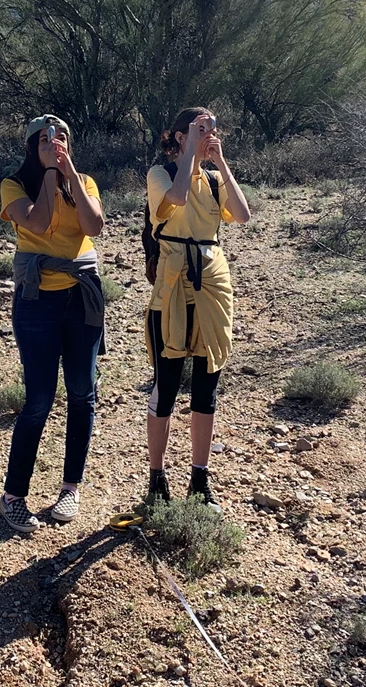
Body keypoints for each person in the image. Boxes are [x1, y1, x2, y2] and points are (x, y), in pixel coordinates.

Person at [0, 114, 106, 533]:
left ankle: (70, 488)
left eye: (60, 137)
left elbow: (94, 225)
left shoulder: (84, 182)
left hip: (81, 298)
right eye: (45, 139)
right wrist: (47, 174)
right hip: (37, 299)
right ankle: (13, 497)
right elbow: (39, 223)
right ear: (30, 147)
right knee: (39, 401)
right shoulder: (14, 186)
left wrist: (69, 174)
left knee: (83, 394)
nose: (55, 142)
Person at [144, 107, 251, 510]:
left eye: (210, 129)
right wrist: (190, 149)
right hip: (172, 282)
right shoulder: (161, 174)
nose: (207, 134)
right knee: (166, 384)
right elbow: (176, 199)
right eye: (198, 128)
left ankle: (200, 480)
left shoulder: (214, 176)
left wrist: (220, 159)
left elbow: (241, 214)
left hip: (213, 280)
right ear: (177, 135)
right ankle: (157, 479)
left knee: (207, 385)